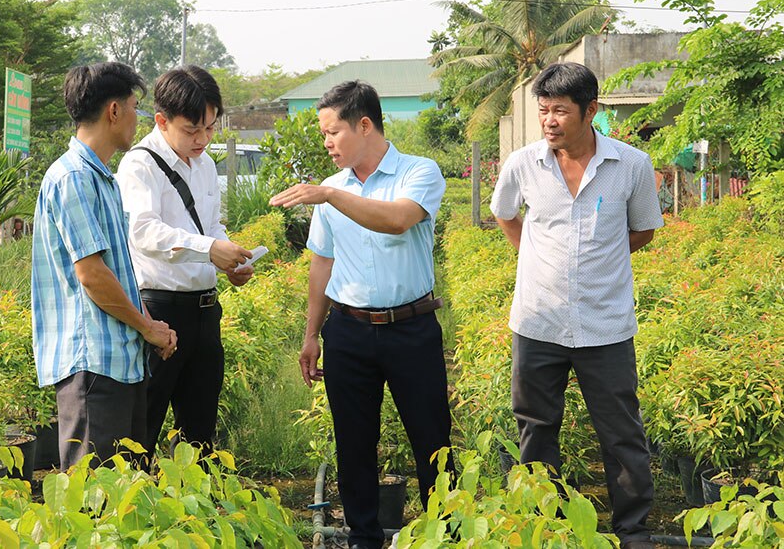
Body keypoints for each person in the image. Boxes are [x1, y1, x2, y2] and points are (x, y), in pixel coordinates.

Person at [270, 80, 454, 549]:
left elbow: (396, 220)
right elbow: (322, 263)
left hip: (411, 328)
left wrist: (331, 198)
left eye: (333, 132)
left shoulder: (419, 172)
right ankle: (363, 539)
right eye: (324, 135)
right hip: (348, 332)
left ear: (365, 125)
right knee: (354, 445)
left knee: (431, 441)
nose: (327, 143)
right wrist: (312, 335)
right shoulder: (330, 190)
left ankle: (445, 535)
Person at [490, 62, 664, 549]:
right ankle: (551, 526)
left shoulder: (631, 164)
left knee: (621, 433)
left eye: (559, 111)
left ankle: (633, 531)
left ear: (590, 111)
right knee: (537, 431)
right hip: (537, 322)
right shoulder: (523, 163)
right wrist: (535, 256)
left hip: (604, 326)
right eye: (543, 110)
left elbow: (644, 229)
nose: (548, 120)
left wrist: (599, 259)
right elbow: (504, 213)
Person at [31, 61, 178, 470]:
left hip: (118, 361)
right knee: (95, 510)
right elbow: (92, 276)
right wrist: (147, 327)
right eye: (135, 107)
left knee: (125, 502)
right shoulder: (73, 178)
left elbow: (118, 272)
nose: (138, 118)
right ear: (114, 111)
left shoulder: (101, 179)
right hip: (93, 366)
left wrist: (150, 325)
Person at [116, 65, 254, 461]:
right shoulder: (140, 164)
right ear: (162, 120)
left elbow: (211, 224)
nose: (202, 139)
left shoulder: (205, 164)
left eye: (210, 128)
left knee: (199, 434)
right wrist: (209, 248)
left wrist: (230, 259)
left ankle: (193, 514)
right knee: (143, 427)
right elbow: (143, 231)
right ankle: (135, 510)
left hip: (205, 312)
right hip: (160, 311)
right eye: (192, 130)